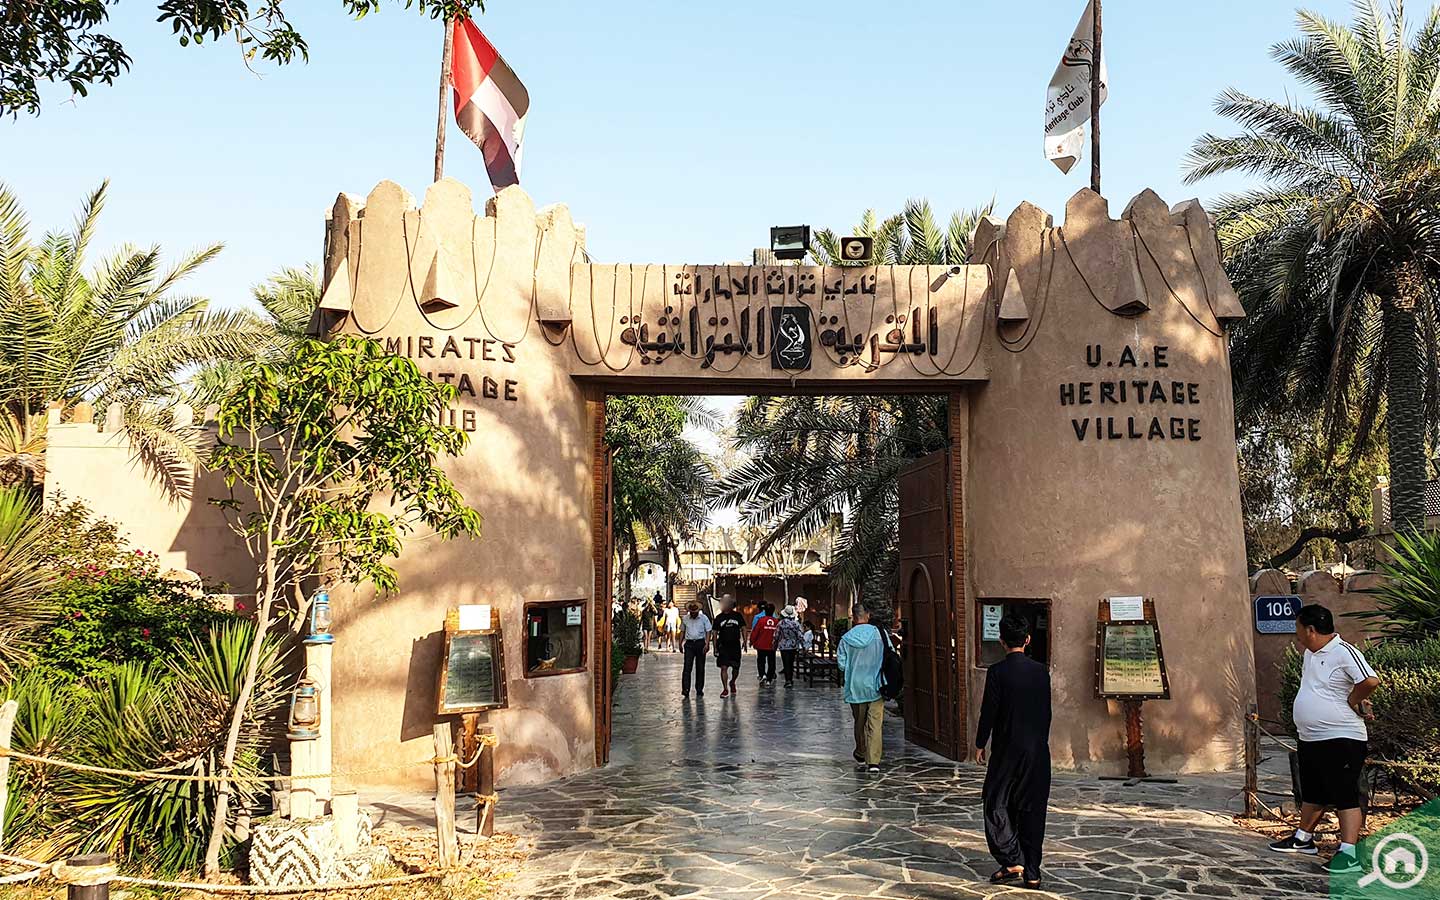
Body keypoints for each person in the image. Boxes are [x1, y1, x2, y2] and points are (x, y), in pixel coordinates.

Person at [1268, 604, 1380, 874]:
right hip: (1311, 737)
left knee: (1345, 795)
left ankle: (1349, 854)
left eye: (1298, 628)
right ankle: (1303, 839)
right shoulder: (1310, 653)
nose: (1296, 634)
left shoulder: (1344, 651)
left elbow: (1370, 680)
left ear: (1310, 629)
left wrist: (1353, 700)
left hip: (1341, 737)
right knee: (1313, 790)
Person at [975, 614, 1052, 891]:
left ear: (1001, 641)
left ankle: (1011, 859)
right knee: (1032, 809)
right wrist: (1039, 743)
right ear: (1027, 639)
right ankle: (1032, 872)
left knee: (995, 802)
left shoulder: (997, 672)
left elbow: (989, 712)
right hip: (1036, 751)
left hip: (1006, 751)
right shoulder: (1041, 672)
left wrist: (980, 743)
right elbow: (1046, 712)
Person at [837, 602, 886, 773]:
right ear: (868, 615)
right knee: (875, 723)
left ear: (853, 616)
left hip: (855, 686)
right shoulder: (879, 634)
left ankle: (861, 752)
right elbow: (890, 653)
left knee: (860, 722)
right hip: (876, 684)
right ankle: (874, 761)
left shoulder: (846, 638)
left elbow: (842, 664)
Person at [712, 594, 747, 697]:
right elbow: (714, 633)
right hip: (723, 646)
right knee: (724, 667)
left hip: (735, 645)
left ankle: (732, 681)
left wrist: (745, 641)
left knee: (736, 668)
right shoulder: (718, 618)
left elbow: (743, 628)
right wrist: (714, 647)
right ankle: (725, 688)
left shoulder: (737, 616)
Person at [679, 601, 712, 697]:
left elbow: (708, 630)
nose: (693, 613)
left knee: (700, 667)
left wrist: (707, 643)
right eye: (692, 612)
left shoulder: (704, 618)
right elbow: (682, 631)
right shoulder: (685, 618)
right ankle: (685, 689)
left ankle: (699, 689)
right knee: (687, 667)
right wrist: (680, 643)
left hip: (700, 643)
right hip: (689, 644)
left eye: (695, 612)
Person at [777, 604, 804, 687]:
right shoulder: (796, 624)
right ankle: (790, 679)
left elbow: (776, 635)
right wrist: (803, 645)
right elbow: (800, 635)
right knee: (791, 663)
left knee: (785, 663)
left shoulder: (780, 623)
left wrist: (774, 644)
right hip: (793, 646)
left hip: (783, 646)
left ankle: (787, 680)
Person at [751, 602, 779, 684]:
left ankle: (762, 674)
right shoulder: (776, 622)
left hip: (761, 645)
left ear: (765, 611)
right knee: (771, 662)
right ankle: (769, 679)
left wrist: (752, 641)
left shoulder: (761, 620)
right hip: (772, 646)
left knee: (761, 661)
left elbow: (755, 632)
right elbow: (778, 634)